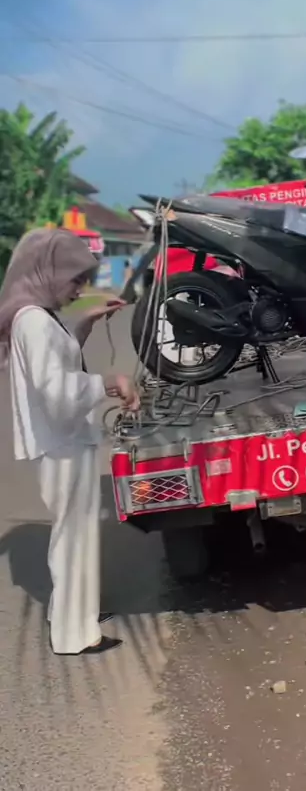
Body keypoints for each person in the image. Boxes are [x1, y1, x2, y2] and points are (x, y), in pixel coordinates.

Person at [0, 228, 139, 656]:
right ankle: (74, 634)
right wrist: (109, 383)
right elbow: (58, 393)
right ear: (48, 271)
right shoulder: (34, 322)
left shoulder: (37, 318)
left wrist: (84, 323)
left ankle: (77, 617)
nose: (78, 289)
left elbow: (58, 363)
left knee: (75, 534)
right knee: (73, 538)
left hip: (63, 441)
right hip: (61, 445)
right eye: (75, 279)